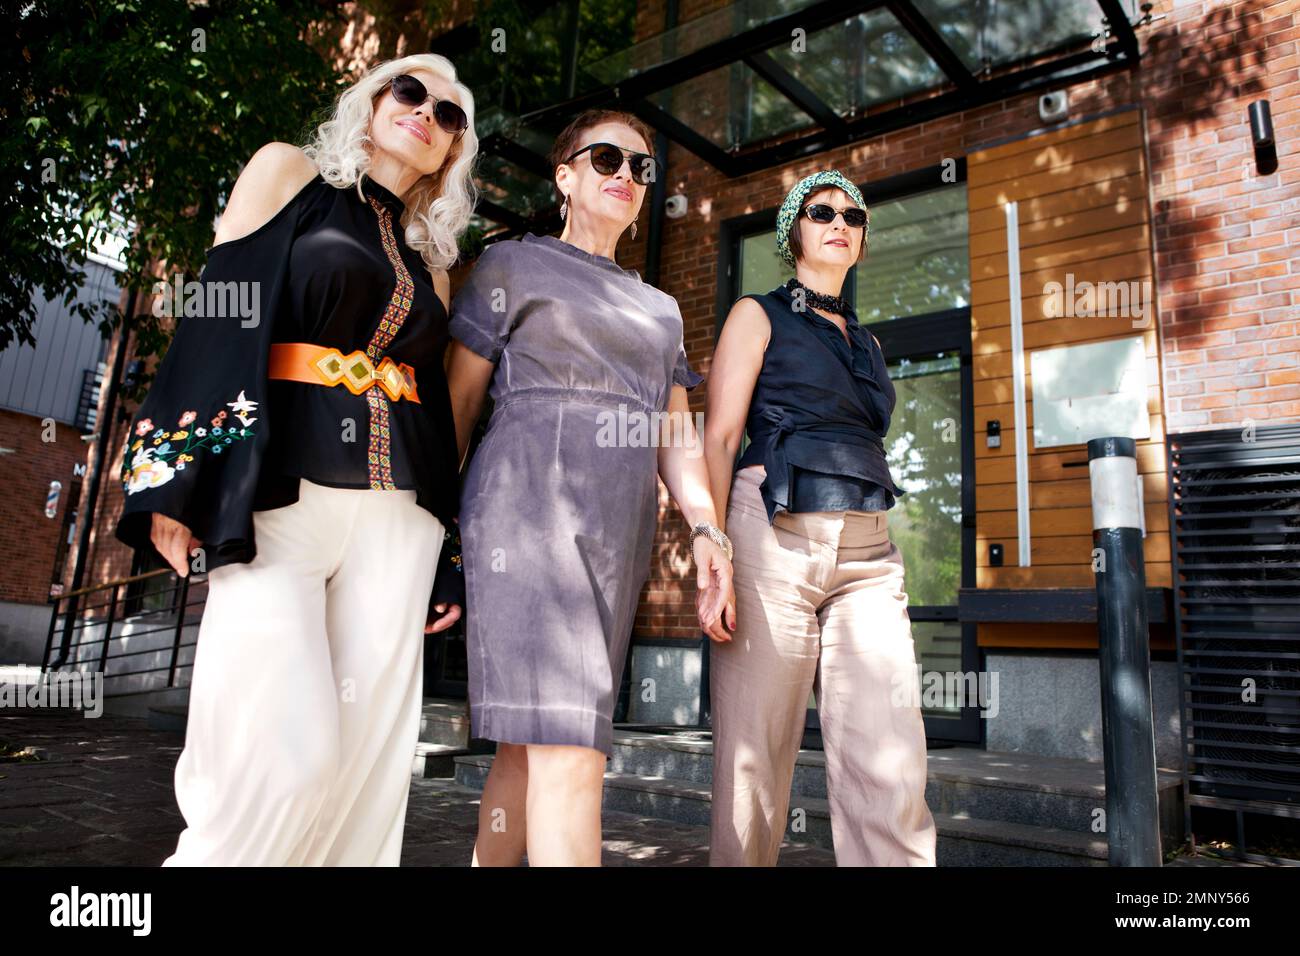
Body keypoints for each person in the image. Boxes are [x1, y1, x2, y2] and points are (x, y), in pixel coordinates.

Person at [114, 54, 478, 865]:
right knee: (284, 751)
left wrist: (447, 548)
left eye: (449, 116)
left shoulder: (434, 267)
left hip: (398, 522)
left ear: (452, 151)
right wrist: (173, 475)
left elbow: (433, 410)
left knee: (366, 775)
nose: (426, 114)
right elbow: (215, 315)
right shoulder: (287, 175)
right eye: (411, 92)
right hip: (281, 497)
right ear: (377, 99)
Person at [445, 109, 735, 867]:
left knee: (526, 745)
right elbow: (458, 406)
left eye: (641, 168)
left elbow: (676, 438)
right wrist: (430, 533)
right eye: (607, 158)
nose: (626, 176)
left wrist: (707, 528)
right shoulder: (513, 265)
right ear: (564, 175)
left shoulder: (662, 311)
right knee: (573, 747)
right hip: (524, 515)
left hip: (616, 536)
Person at [703, 169, 937, 866]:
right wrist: (711, 545)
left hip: (868, 545)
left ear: (861, 240)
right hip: (773, 528)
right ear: (794, 232)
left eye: (853, 216)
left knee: (889, 745)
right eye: (822, 211)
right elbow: (718, 437)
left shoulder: (867, 346)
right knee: (756, 751)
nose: (840, 221)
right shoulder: (757, 313)